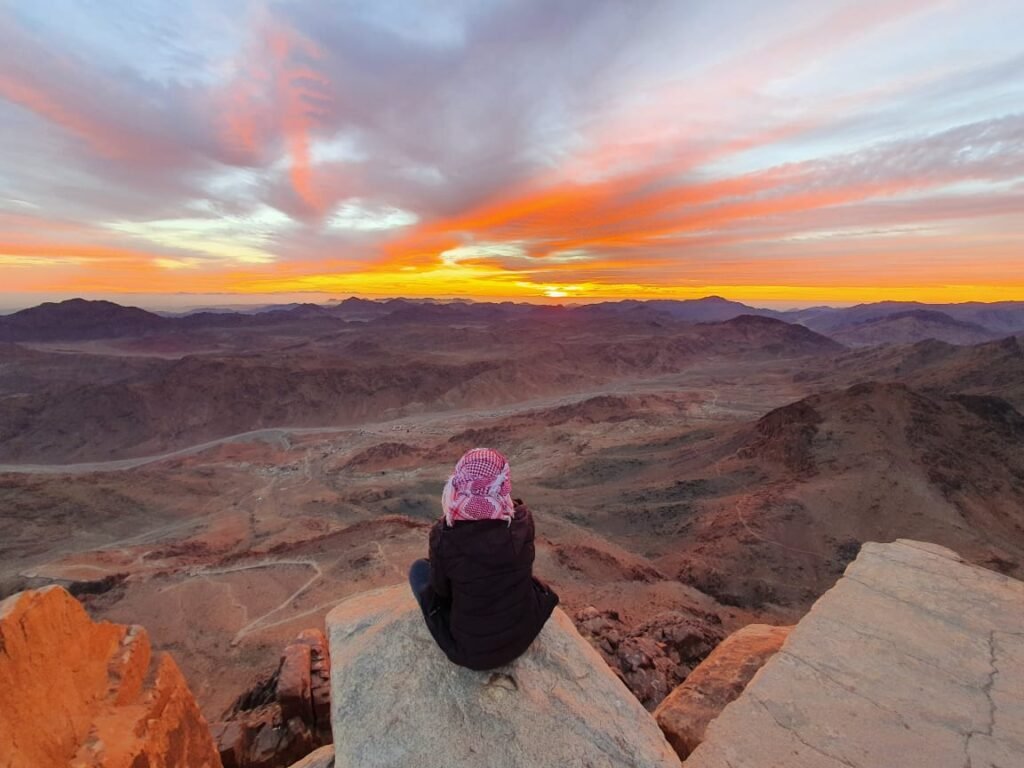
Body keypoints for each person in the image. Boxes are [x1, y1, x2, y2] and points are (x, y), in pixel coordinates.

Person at [408, 447, 559, 670]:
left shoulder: (445, 535)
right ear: (503, 481)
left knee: (419, 570)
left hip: (472, 651)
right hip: (522, 635)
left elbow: (441, 591)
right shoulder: (521, 520)